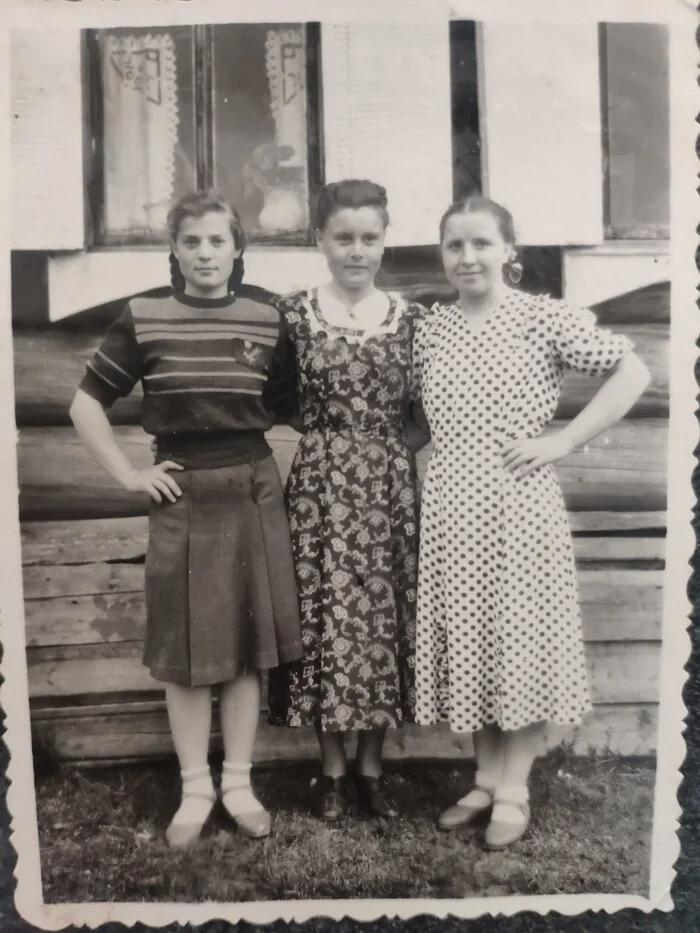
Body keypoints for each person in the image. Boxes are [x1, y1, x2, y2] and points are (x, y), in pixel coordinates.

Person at [412, 195, 650, 849]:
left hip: (517, 503)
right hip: (452, 502)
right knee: (475, 636)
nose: (467, 257)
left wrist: (563, 441)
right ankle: (486, 778)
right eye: (455, 245)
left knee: (515, 639)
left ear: (509, 251)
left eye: (482, 243)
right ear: (443, 253)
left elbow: (633, 371)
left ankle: (514, 789)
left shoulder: (543, 319)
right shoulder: (433, 328)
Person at [69, 190, 303, 848]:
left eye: (217, 241)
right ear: (174, 249)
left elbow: (289, 406)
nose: (205, 253)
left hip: (254, 489)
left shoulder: (267, 316)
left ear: (238, 249)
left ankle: (239, 782)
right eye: (192, 241)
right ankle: (195, 786)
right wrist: (130, 474)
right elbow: (85, 405)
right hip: (182, 494)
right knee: (187, 654)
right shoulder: (144, 316)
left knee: (245, 651)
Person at [268, 179, 427, 821]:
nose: (356, 251)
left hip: (389, 488)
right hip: (320, 492)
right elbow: (276, 397)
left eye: (369, 238)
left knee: (383, 619)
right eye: (343, 238)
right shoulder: (295, 315)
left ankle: (372, 768)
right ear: (320, 242)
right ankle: (331, 770)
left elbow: (426, 411)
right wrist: (332, 441)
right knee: (325, 621)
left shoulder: (411, 319)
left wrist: (386, 447)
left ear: (383, 241)